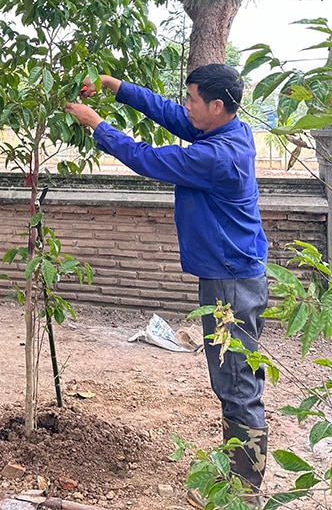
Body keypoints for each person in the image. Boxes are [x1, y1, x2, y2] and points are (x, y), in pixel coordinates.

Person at [64, 64, 269, 509]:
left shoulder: (216, 157)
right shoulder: (230, 132)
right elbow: (172, 116)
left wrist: (98, 125)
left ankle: (243, 497)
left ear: (216, 106)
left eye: (193, 99)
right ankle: (238, 484)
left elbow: (147, 159)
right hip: (231, 272)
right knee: (234, 379)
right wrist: (116, 87)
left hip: (231, 281)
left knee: (236, 384)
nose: (186, 106)